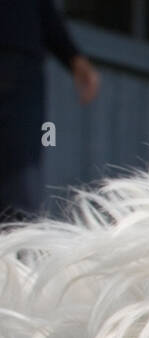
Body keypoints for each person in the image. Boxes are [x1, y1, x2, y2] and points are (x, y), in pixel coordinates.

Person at [0, 0, 100, 220]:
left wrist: (72, 56)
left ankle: (14, 250)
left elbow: (42, 7)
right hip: (21, 58)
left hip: (21, 63)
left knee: (20, 185)